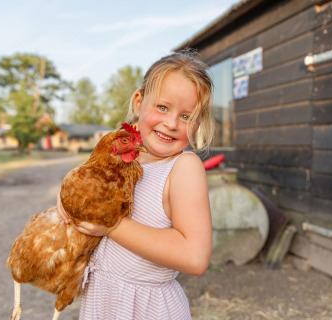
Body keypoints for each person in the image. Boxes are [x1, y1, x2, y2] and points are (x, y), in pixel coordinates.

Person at [57, 49, 214, 319]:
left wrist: (112, 225)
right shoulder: (120, 158)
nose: (171, 123)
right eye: (162, 107)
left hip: (147, 308)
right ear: (139, 102)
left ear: (198, 122)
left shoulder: (182, 168)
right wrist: (70, 201)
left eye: (186, 116)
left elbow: (195, 256)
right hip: (102, 303)